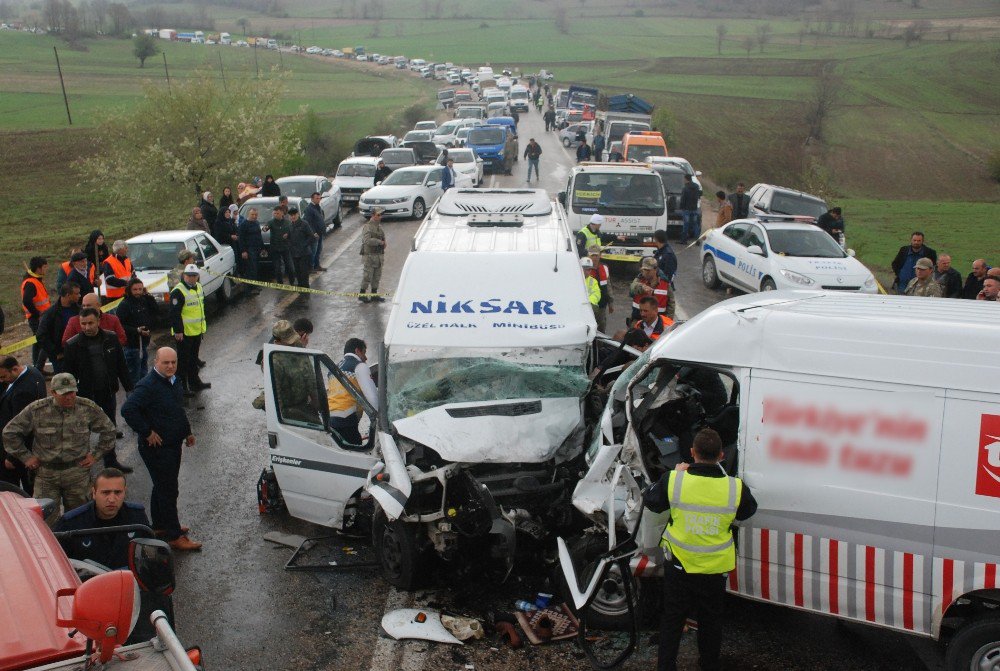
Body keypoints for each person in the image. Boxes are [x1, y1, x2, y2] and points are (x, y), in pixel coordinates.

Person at [644, 427, 757, 671]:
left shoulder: (674, 481)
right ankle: (708, 665)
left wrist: (675, 473)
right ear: (721, 456)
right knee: (711, 622)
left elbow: (651, 502)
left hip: (679, 565)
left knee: (673, 620)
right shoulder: (734, 488)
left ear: (692, 452)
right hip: (713, 570)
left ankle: (666, 667)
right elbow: (748, 511)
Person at [2, 373, 116, 525]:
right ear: (53, 392)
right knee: (44, 521)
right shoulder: (37, 410)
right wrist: (26, 457)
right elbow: (10, 432)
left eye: (72, 392)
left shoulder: (86, 408)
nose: (69, 397)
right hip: (46, 475)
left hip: (77, 474)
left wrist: (96, 455)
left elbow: (109, 431)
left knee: (80, 519)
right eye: (64, 394)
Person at [120, 347, 201, 551]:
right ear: (156, 361)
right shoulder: (148, 385)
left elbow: (177, 409)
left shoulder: (173, 380)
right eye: (166, 363)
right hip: (157, 449)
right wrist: (147, 432)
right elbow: (127, 409)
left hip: (173, 443)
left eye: (173, 362)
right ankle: (174, 535)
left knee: (162, 486)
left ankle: (160, 526)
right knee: (168, 489)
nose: (171, 366)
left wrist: (187, 432)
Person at [63, 307, 134, 472]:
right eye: (83, 324)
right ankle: (82, 466)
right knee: (82, 432)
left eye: (90, 323)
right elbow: (67, 375)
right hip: (84, 397)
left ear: (98, 321)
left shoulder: (111, 338)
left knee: (108, 428)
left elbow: (121, 366)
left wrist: (130, 388)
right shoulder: (72, 345)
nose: (87, 327)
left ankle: (111, 462)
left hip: (107, 392)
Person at [54, 468, 151, 569]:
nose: (112, 499)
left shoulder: (136, 516)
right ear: (94, 493)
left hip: (128, 581)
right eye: (105, 493)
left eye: (117, 492)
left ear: (124, 492)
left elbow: (151, 554)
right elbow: (57, 564)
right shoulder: (71, 523)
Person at [0, 356, 47, 495]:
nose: (2, 380)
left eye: (3, 376)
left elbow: (23, 428)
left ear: (15, 369)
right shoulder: (32, 372)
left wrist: (12, 456)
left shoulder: (23, 392)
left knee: (12, 490)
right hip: (30, 447)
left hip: (19, 452)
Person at [327, 338, 379, 446]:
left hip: (330, 419)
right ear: (357, 351)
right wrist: (381, 420)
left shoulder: (334, 368)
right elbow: (373, 397)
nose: (365, 357)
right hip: (347, 419)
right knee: (357, 454)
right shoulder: (359, 366)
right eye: (364, 352)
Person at [169, 264, 210, 395]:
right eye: (189, 276)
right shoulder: (178, 291)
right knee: (183, 362)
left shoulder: (198, 287)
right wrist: (178, 331)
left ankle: (195, 383)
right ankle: (181, 387)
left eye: (194, 276)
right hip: (184, 333)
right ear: (184, 276)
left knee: (193, 359)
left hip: (196, 330)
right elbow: (174, 314)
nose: (192, 278)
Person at [116, 278, 157, 385]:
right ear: (129, 290)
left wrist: (149, 296)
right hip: (131, 347)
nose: (138, 292)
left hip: (143, 345)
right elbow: (119, 325)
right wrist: (136, 330)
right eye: (135, 290)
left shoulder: (144, 300)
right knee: (134, 378)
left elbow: (156, 311)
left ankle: (143, 397)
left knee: (144, 374)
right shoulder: (125, 305)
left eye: (140, 289)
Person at [36, 282, 81, 374]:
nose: (79, 296)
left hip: (78, 354)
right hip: (60, 359)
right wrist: (55, 352)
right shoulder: (50, 314)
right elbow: (41, 336)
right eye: (76, 293)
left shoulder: (79, 310)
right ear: (68, 295)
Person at [61, 292, 127, 347]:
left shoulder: (112, 319)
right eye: (83, 306)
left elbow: (122, 339)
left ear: (99, 305)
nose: (86, 308)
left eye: (89, 305)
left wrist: (107, 348)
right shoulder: (74, 321)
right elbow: (66, 342)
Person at [20, 256, 50, 370]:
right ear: (38, 268)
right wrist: (37, 313)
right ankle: (38, 368)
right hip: (37, 318)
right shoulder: (31, 283)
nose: (46, 269)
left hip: (40, 317)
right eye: (45, 267)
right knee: (45, 342)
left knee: (37, 342)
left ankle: (38, 369)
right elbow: (26, 300)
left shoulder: (35, 279)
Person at [630, 257, 671, 322]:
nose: (645, 272)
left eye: (648, 270)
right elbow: (632, 288)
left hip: (658, 323)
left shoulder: (665, 284)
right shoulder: (638, 280)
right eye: (644, 270)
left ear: (655, 269)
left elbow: (671, 304)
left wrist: (669, 321)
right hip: (638, 321)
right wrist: (642, 287)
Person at [359, 209, 386, 303]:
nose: (380, 217)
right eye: (378, 215)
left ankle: (374, 294)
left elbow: (382, 238)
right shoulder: (368, 227)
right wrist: (379, 242)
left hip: (378, 256)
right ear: (373, 215)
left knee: (376, 277)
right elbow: (367, 240)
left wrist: (384, 243)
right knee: (367, 276)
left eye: (381, 215)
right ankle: (362, 294)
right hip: (370, 256)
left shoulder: (379, 227)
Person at [588, 245, 614, 332]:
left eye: (596, 255)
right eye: (592, 255)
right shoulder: (583, 269)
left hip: (602, 305)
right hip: (588, 305)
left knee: (601, 327)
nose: (594, 258)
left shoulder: (604, 268)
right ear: (588, 256)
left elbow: (608, 286)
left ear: (600, 256)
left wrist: (611, 303)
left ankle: (601, 345)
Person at [288, 207, 315, 290]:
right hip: (294, 253)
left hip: (304, 252)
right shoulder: (290, 225)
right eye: (291, 215)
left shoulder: (304, 224)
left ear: (298, 215)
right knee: (297, 271)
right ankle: (300, 286)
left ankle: (306, 287)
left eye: (294, 215)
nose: (293, 217)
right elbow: (290, 237)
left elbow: (311, 237)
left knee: (304, 271)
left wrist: (304, 245)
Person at [238, 208, 264, 291]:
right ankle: (250, 288)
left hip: (257, 248)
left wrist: (262, 247)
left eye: (256, 215)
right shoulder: (243, 225)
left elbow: (259, 236)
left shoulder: (256, 223)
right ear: (248, 214)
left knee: (256, 267)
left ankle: (255, 285)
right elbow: (241, 239)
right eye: (252, 214)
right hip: (249, 249)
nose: (254, 216)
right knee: (251, 269)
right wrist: (243, 251)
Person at [266, 206, 293, 285]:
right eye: (274, 213)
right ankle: (280, 283)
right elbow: (266, 227)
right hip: (275, 248)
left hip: (286, 248)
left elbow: (292, 232)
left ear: (282, 213)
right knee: (278, 268)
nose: (276, 215)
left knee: (290, 267)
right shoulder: (271, 222)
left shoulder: (288, 222)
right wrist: (265, 228)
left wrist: (288, 235)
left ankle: (292, 282)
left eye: (277, 213)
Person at [303, 191, 329, 274]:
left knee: (318, 250)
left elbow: (321, 218)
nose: (319, 200)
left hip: (320, 233)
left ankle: (317, 265)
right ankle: (310, 267)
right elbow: (308, 222)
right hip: (314, 234)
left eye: (319, 198)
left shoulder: (318, 207)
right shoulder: (309, 209)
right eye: (317, 198)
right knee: (313, 251)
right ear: (312, 199)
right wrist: (313, 232)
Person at [678, 174, 701, 244]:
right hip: (694, 208)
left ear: (686, 179)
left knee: (686, 225)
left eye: (684, 179)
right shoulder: (697, 186)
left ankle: (684, 240)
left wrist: (681, 207)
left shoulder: (685, 188)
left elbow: (683, 199)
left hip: (686, 209)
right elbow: (699, 195)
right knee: (695, 225)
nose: (683, 180)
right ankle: (697, 239)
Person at [581, 257, 602, 328]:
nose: (589, 271)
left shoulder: (593, 281)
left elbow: (597, 294)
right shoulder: (573, 279)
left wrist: (588, 303)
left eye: (590, 269)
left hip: (588, 310)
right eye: (586, 269)